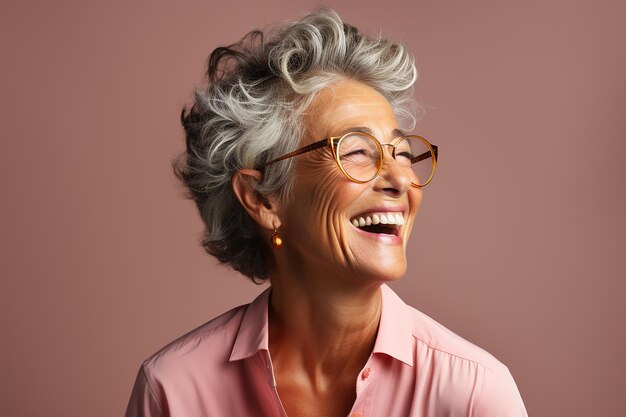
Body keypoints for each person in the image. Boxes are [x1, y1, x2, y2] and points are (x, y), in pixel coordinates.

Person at [125, 9, 528, 417]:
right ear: (263, 199)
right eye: (356, 151)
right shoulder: (172, 392)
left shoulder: (475, 394)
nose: (401, 181)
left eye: (402, 153)